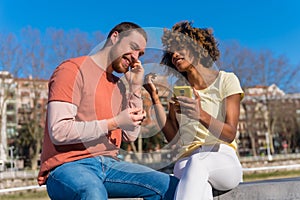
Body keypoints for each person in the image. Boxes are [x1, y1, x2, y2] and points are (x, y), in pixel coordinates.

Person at [37, 22, 179, 200]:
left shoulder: (120, 87)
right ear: (115, 37)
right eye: (133, 47)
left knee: (172, 187)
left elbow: (131, 135)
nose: (136, 58)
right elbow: (59, 131)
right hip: (68, 165)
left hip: (111, 165)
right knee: (93, 192)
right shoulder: (72, 70)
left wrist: (135, 88)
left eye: (140, 54)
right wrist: (114, 122)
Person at [144, 21, 244, 200]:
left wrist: (200, 115)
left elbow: (229, 134)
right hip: (185, 162)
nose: (174, 54)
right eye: (171, 52)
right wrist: (155, 97)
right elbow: (173, 139)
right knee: (199, 181)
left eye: (180, 48)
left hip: (221, 157)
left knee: (198, 164)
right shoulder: (180, 91)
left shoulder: (226, 80)